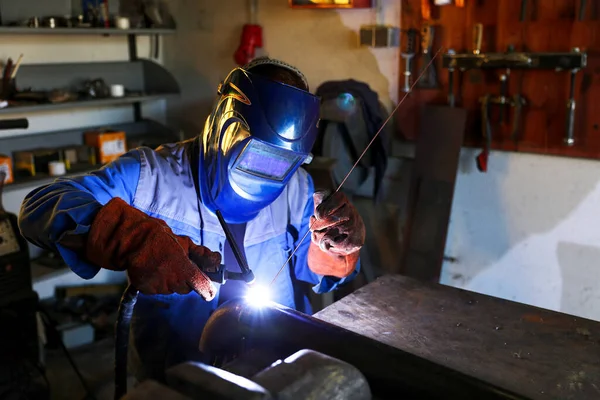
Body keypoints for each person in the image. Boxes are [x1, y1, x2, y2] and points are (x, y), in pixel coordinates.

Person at [18, 57, 365, 381]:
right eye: (255, 153)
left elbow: (316, 268)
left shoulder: (297, 187)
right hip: (178, 382)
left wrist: (338, 248)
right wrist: (130, 236)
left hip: (272, 376)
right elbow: (39, 205)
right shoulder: (152, 177)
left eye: (282, 163)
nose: (265, 174)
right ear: (223, 125)